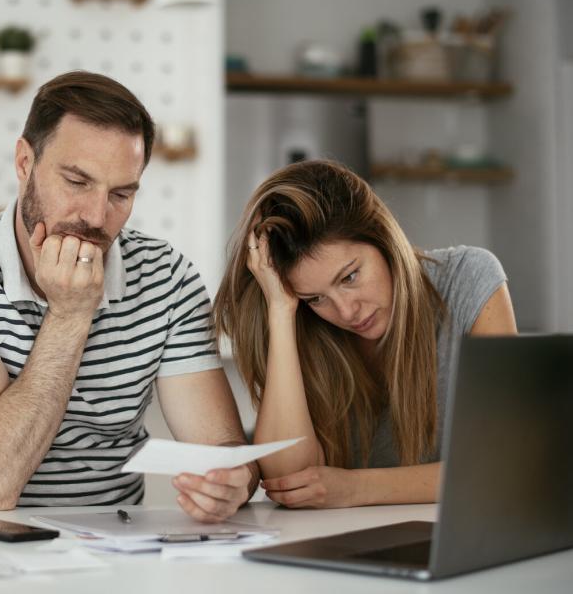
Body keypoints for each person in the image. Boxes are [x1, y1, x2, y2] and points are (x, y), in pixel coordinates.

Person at [0, 71, 258, 521]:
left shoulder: (168, 278)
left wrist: (233, 481)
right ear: (24, 163)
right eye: (76, 182)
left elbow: (220, 449)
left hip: (112, 551)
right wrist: (69, 315)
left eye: (121, 194)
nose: (95, 216)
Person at [213, 160, 517, 508]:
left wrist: (355, 488)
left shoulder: (468, 280)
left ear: (382, 237)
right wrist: (281, 311)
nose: (345, 312)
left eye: (350, 277)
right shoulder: (300, 322)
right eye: (316, 297)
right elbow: (290, 479)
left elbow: (502, 466)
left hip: (454, 540)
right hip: (342, 547)